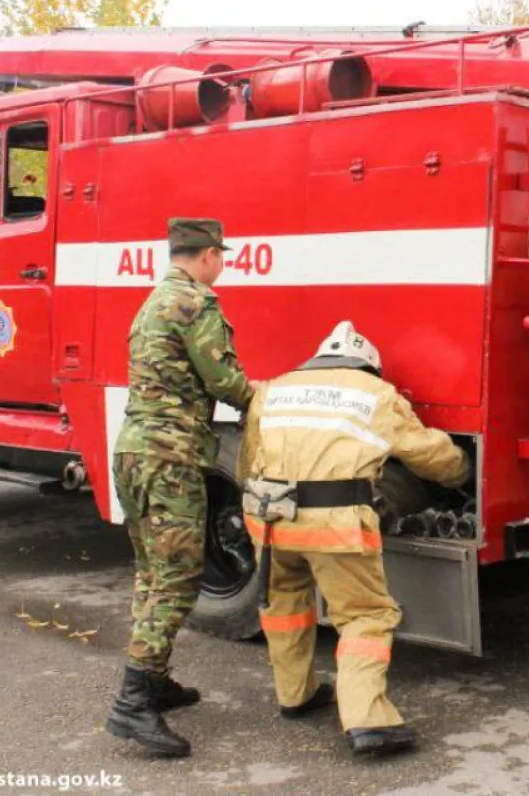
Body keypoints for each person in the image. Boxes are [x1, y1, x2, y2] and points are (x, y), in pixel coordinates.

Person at [241, 321, 469, 757]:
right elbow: (427, 454)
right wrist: (462, 471)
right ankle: (367, 721)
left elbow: (250, 458)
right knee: (365, 615)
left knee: (285, 603)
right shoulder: (375, 394)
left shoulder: (274, 388)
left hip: (268, 517)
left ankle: (296, 695)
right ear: (369, 366)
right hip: (333, 523)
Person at [105, 218, 254, 758]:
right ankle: (132, 705)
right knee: (177, 579)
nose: (223, 265)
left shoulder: (152, 302)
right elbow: (224, 381)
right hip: (168, 458)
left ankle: (155, 680)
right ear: (209, 254)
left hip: (133, 450)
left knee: (151, 573)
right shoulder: (197, 304)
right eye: (222, 255)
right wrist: (265, 398)